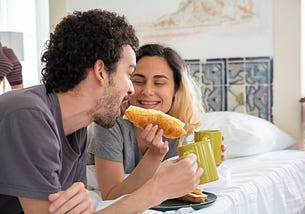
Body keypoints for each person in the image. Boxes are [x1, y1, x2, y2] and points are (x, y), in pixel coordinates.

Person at [0, 9, 203, 214]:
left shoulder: (76, 127)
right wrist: (158, 189)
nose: (131, 89)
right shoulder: (28, 115)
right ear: (101, 72)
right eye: (130, 74)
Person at [87, 44, 225, 200]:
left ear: (176, 90)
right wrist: (153, 156)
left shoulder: (176, 130)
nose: (147, 91)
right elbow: (111, 195)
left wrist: (206, 164)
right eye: (138, 81)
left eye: (159, 83)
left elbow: (182, 184)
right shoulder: (109, 123)